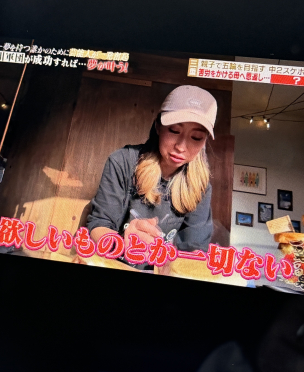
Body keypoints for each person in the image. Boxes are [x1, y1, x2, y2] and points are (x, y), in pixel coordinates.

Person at [86, 85, 216, 268]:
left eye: (196, 138)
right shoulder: (122, 161)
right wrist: (122, 242)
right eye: (174, 131)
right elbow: (100, 224)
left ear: (204, 142)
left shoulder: (200, 186)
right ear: (158, 127)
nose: (181, 147)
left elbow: (194, 249)